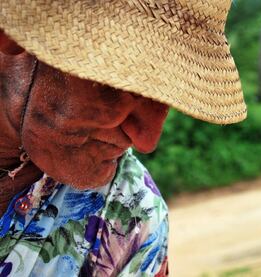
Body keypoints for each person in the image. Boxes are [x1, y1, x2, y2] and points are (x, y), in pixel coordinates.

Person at [0, 1, 247, 276]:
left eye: (165, 99)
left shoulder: (129, 221)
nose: (146, 140)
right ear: (13, 32)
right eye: (124, 87)